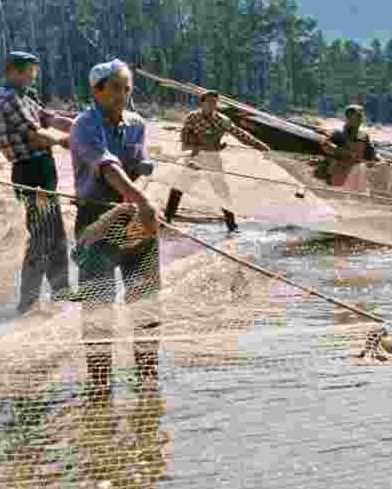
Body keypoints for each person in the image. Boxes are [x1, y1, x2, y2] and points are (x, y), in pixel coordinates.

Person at [70, 59, 161, 398]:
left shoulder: (137, 124)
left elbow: (135, 166)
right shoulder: (83, 125)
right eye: (115, 88)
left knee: (146, 302)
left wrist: (146, 173)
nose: (123, 94)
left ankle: (148, 381)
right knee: (98, 309)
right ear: (97, 91)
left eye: (127, 88)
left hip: (137, 221)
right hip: (97, 222)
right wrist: (143, 200)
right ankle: (99, 387)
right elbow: (109, 168)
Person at [0, 51, 75, 316]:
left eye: (33, 72)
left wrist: (79, 126)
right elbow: (34, 135)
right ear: (12, 71)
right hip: (29, 173)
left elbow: (50, 119)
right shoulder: (7, 99)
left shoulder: (26, 96)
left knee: (56, 232)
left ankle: (61, 291)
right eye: (28, 72)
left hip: (44, 169)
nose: (32, 77)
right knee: (41, 235)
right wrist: (65, 142)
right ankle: (28, 301)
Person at [171, 89, 271, 232]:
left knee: (222, 192)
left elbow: (241, 135)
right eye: (209, 102)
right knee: (178, 188)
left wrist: (262, 147)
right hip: (195, 158)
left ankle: (232, 226)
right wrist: (204, 146)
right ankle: (167, 218)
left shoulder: (222, 120)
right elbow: (184, 142)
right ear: (202, 103)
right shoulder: (192, 118)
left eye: (214, 102)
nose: (212, 105)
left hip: (213, 159)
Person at [317, 103, 377, 186]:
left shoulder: (363, 136)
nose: (361, 120)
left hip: (356, 177)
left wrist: (375, 159)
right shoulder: (339, 133)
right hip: (338, 175)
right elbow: (326, 146)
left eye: (362, 117)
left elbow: (371, 155)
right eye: (358, 116)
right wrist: (344, 152)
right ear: (348, 117)